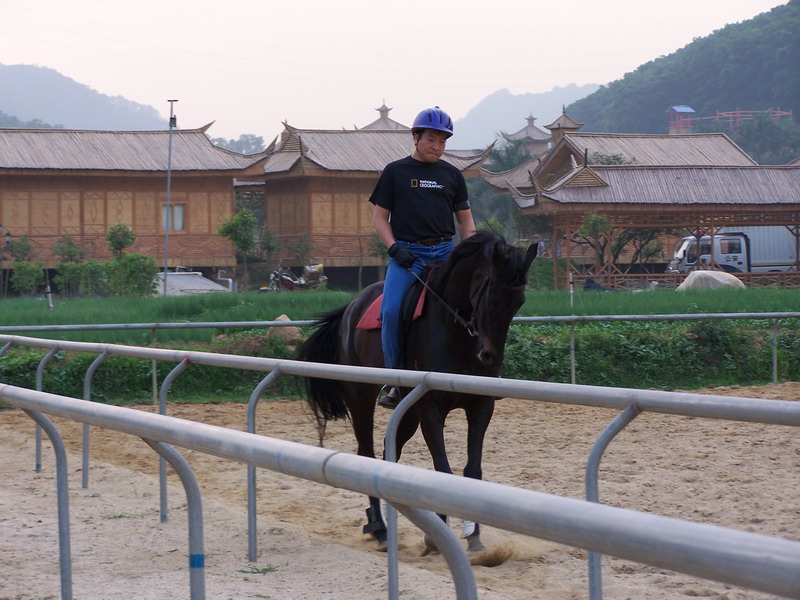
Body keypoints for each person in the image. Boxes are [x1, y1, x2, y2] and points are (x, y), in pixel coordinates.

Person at [369, 106, 476, 408]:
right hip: (408, 254)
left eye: (442, 142)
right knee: (390, 311)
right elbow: (379, 217)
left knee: (479, 303)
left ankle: (478, 370)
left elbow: (465, 221)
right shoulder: (395, 172)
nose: (437, 146)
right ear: (415, 137)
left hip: (446, 252)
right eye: (431, 139)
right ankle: (396, 380)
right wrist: (393, 248)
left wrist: (470, 250)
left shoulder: (452, 175)